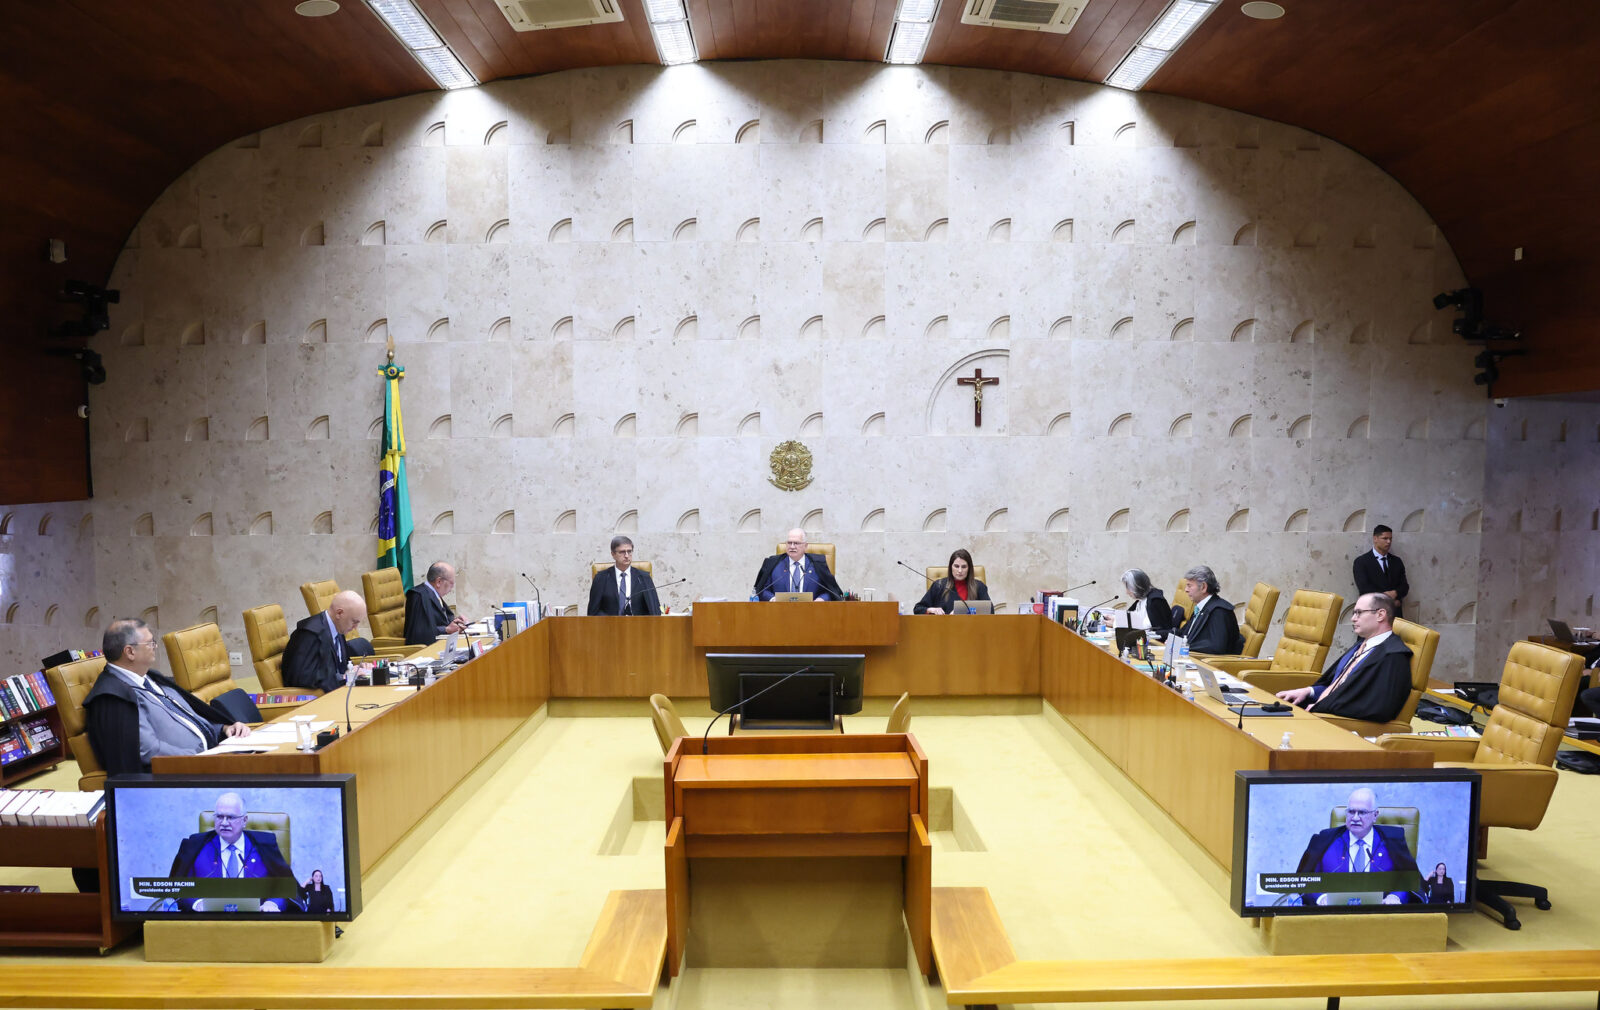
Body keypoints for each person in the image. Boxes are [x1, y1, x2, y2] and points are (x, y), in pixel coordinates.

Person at [81, 618, 252, 775]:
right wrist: (203, 757)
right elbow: (149, 751)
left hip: (214, 755)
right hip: (184, 773)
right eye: (150, 643)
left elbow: (188, 719)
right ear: (130, 652)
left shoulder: (150, 678)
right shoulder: (114, 698)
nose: (155, 647)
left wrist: (223, 729)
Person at [1276, 594, 1413, 724]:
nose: (1353, 618)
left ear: (1380, 615)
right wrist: (1308, 691)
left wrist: (1321, 708)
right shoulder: (1361, 646)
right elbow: (1337, 686)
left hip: (1339, 724)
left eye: (1359, 613)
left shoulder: (1393, 656)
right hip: (1320, 712)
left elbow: (1379, 708)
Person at [168, 792, 298, 912]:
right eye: (219, 817)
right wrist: (197, 903)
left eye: (230, 817)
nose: (224, 823)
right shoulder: (195, 846)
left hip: (256, 920)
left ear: (244, 820)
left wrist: (273, 903)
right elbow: (179, 887)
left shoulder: (265, 846)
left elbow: (284, 885)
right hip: (209, 921)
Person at [1295, 786, 1417, 905]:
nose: (1355, 818)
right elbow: (1306, 879)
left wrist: (1395, 896)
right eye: (1351, 811)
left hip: (1379, 912)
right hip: (1334, 912)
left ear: (1375, 815)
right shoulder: (1324, 840)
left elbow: (1407, 878)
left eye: (1362, 812)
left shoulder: (1393, 840)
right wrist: (1321, 897)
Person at [282, 590, 373, 693]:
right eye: (354, 622)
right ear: (339, 613)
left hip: (339, 692)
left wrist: (356, 669)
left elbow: (338, 667)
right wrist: (344, 677)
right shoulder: (309, 634)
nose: (355, 628)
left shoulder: (338, 629)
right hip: (316, 699)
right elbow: (301, 677)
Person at [753, 529, 843, 601]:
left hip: (812, 612)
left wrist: (821, 599)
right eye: (789, 543)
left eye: (796, 543)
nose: (792, 546)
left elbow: (831, 591)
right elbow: (762, 589)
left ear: (805, 546)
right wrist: (772, 599)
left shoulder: (818, 564)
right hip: (779, 612)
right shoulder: (773, 563)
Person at [586, 536, 661, 616]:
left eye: (629, 551)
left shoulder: (644, 577)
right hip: (610, 623)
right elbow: (593, 612)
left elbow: (654, 610)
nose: (626, 555)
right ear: (613, 554)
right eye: (622, 552)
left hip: (638, 623)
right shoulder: (601, 578)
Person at [1176, 566, 1244, 655]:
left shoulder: (1219, 611)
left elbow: (1216, 647)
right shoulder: (1201, 608)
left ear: (1203, 587)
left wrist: (1183, 646)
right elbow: (1184, 633)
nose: (1186, 590)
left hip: (1207, 662)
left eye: (1189, 586)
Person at [404, 561, 469, 646]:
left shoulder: (433, 594)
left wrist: (455, 622)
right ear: (439, 582)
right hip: (426, 650)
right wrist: (446, 629)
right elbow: (419, 633)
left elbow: (438, 621)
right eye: (451, 583)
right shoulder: (419, 596)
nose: (452, 588)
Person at [1353, 525, 1409, 619]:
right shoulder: (1361, 562)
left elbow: (1404, 586)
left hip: (1394, 615)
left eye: (1390, 539)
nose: (1389, 542)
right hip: (1372, 614)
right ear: (1375, 538)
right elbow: (1364, 588)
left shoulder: (1397, 561)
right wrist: (1389, 600)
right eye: (1385, 538)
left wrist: (1395, 593)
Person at [914, 549, 990, 614]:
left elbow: (990, 610)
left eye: (964, 567)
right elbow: (918, 609)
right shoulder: (938, 585)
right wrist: (930, 610)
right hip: (944, 626)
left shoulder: (979, 586)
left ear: (969, 568)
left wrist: (962, 612)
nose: (960, 571)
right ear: (951, 567)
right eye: (956, 566)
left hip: (972, 626)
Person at [1120, 569, 1173, 638]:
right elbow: (1131, 616)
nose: (1127, 592)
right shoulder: (1142, 598)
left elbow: (1147, 628)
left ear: (1137, 587)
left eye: (1128, 588)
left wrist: (1119, 624)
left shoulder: (1155, 601)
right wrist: (1117, 621)